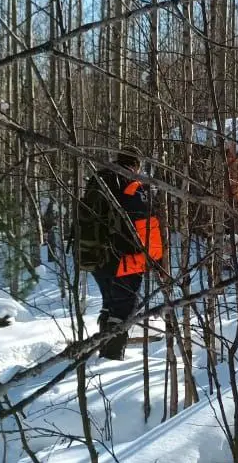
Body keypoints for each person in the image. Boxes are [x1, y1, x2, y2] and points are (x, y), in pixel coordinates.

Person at [83, 145, 163, 360]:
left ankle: (104, 351)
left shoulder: (99, 179)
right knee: (123, 310)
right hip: (124, 259)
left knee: (110, 305)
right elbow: (146, 224)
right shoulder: (131, 183)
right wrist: (156, 258)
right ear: (136, 164)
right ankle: (111, 360)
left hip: (95, 255)